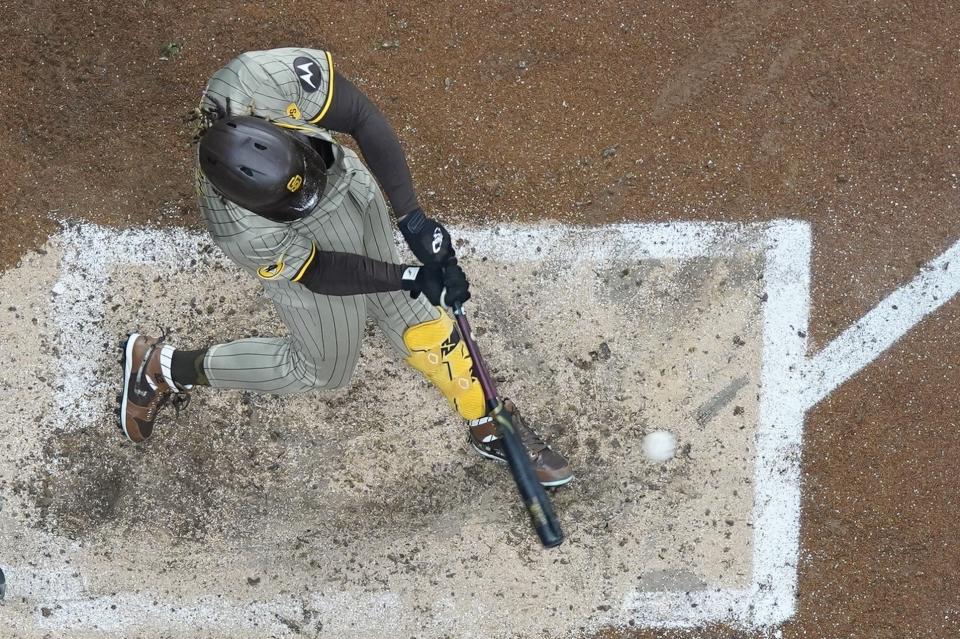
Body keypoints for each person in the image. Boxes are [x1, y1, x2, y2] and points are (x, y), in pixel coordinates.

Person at [118, 47, 572, 487]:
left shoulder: (261, 78)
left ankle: (485, 417)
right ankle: (164, 366)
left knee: (407, 311)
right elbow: (319, 269)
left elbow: (360, 116)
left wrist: (413, 220)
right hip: (301, 246)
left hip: (343, 179)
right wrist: (409, 274)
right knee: (320, 369)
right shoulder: (242, 230)